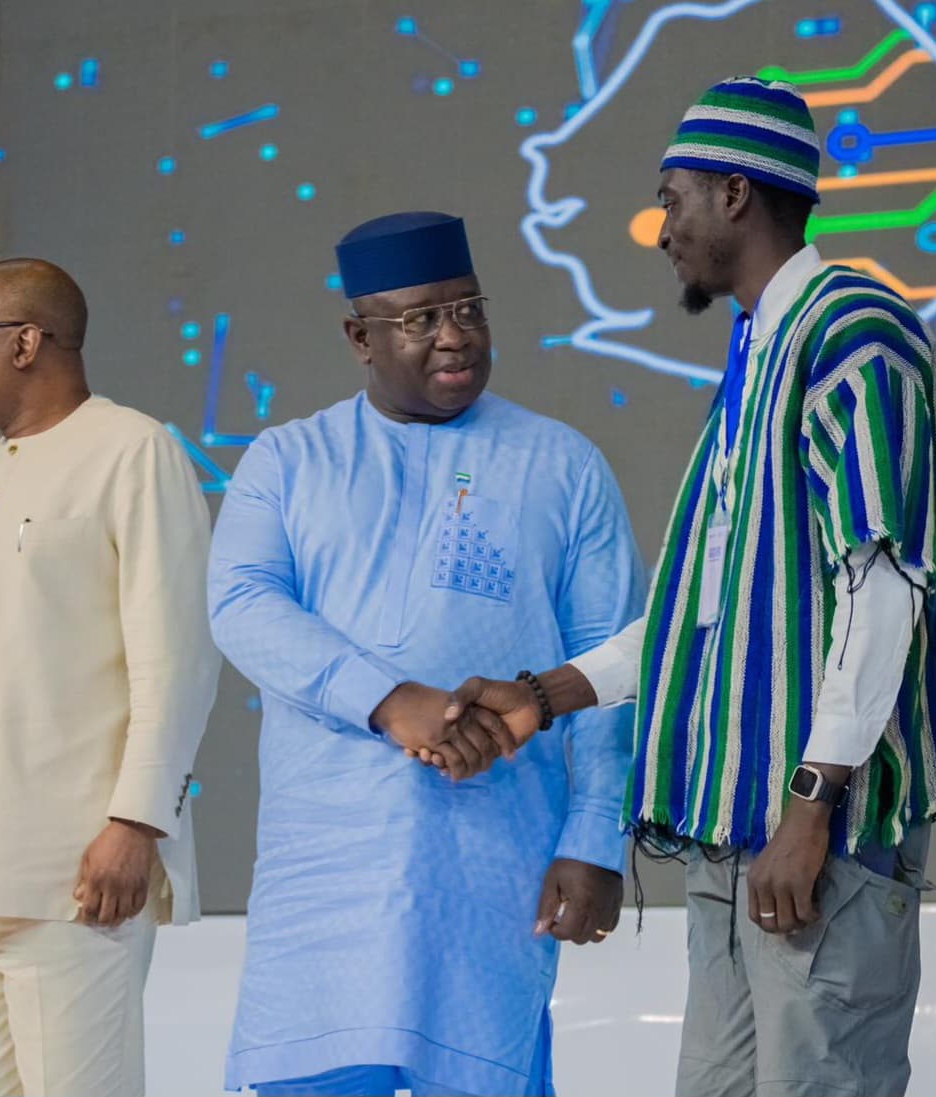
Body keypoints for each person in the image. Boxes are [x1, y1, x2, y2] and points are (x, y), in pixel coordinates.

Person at [442, 78, 936, 1097]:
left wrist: (808, 805)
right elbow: (703, 614)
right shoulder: (757, 355)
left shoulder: (852, 334)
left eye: (673, 198)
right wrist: (541, 695)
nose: (662, 229)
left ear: (735, 193)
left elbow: (880, 585)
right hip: (734, 829)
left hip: (816, 836)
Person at [207, 210, 645, 1096]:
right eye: (420, 319)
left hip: (493, 861)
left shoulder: (562, 465)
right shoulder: (288, 460)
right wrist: (386, 698)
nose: (454, 336)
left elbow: (610, 663)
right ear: (358, 337)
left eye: (469, 310)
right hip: (327, 864)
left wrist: (596, 838)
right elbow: (242, 603)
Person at [0, 258, 221, 1097]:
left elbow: (177, 657)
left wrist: (135, 822)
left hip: (72, 875)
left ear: (27, 343)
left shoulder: (132, 450)